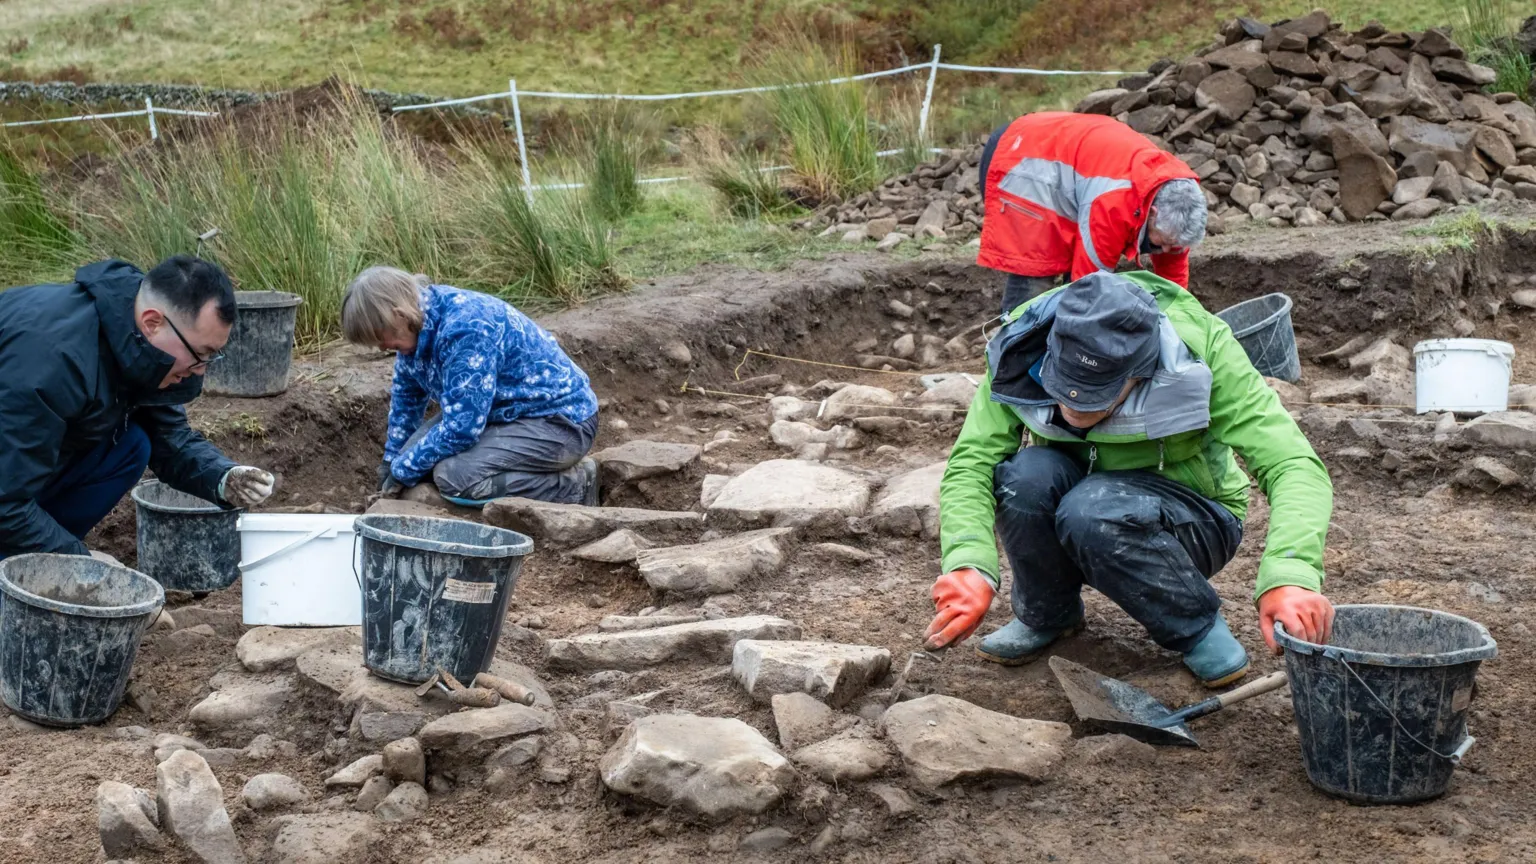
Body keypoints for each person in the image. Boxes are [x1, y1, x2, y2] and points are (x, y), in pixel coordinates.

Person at [925, 270, 1333, 687]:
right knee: (1025, 477)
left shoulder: (1203, 348)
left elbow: (1293, 464)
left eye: (1097, 396)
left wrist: (1290, 572)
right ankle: (1048, 614)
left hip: (1190, 519)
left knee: (1092, 507)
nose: (1073, 408)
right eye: (1063, 387)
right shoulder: (1023, 339)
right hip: (1078, 503)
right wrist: (968, 563)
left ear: (1142, 372)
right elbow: (972, 460)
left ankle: (1195, 627)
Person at [0, 256, 275, 559]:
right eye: (200, 354)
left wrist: (224, 477)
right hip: (7, 480)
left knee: (132, 447)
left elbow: (170, 439)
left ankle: (36, 558)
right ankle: (26, 567)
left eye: (212, 356)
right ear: (153, 322)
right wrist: (79, 563)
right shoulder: (52, 364)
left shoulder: (139, 340)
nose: (201, 371)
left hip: (18, 466)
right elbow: (5, 502)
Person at [342, 266, 600, 507]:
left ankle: (573, 486)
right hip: (500, 411)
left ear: (397, 314)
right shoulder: (415, 329)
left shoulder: (466, 329)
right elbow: (407, 400)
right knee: (411, 459)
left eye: (379, 337)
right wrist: (391, 463)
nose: (381, 347)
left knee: (454, 477)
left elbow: (462, 428)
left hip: (559, 422)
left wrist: (403, 471)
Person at [978, 112, 1209, 317]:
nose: (1168, 251)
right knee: (1036, 275)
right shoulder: (1113, 204)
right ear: (1152, 213)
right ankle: (1015, 351)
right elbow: (1086, 285)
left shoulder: (1177, 202)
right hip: (1022, 161)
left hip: (1070, 165)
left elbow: (1173, 282)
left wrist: (1177, 319)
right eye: (1166, 243)